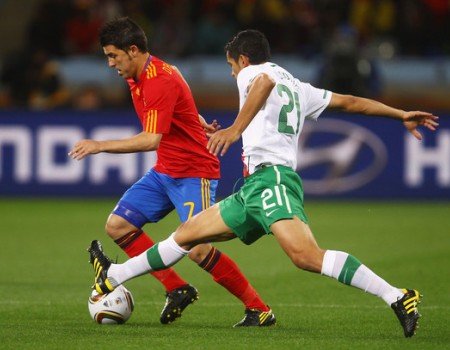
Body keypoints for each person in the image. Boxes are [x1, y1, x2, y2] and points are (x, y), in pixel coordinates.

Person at [87, 29, 438, 337]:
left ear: (242, 59)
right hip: (252, 187)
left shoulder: (256, 73)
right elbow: (351, 102)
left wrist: (236, 129)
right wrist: (400, 113)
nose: (232, 73)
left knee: (305, 256)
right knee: (187, 235)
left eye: (231, 66)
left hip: (272, 180)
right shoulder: (300, 87)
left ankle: (396, 295)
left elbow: (263, 83)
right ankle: (115, 275)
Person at [69, 19, 275, 327]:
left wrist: (99, 145)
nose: (110, 63)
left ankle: (259, 309)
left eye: (113, 56)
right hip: (165, 171)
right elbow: (181, 103)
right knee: (118, 225)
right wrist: (196, 120)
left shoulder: (158, 79)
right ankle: (176, 288)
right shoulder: (143, 73)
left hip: (195, 172)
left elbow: (151, 139)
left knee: (198, 247)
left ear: (133, 50)